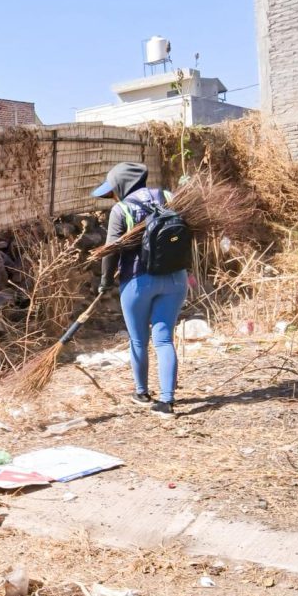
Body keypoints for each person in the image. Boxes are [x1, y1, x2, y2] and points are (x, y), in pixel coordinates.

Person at [93, 162, 188, 418]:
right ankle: (166, 401)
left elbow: (110, 251)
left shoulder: (121, 209)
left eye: (113, 191)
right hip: (176, 279)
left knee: (138, 340)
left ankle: (142, 393)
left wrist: (105, 281)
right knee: (164, 339)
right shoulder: (168, 197)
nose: (113, 196)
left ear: (122, 186)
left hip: (138, 282)